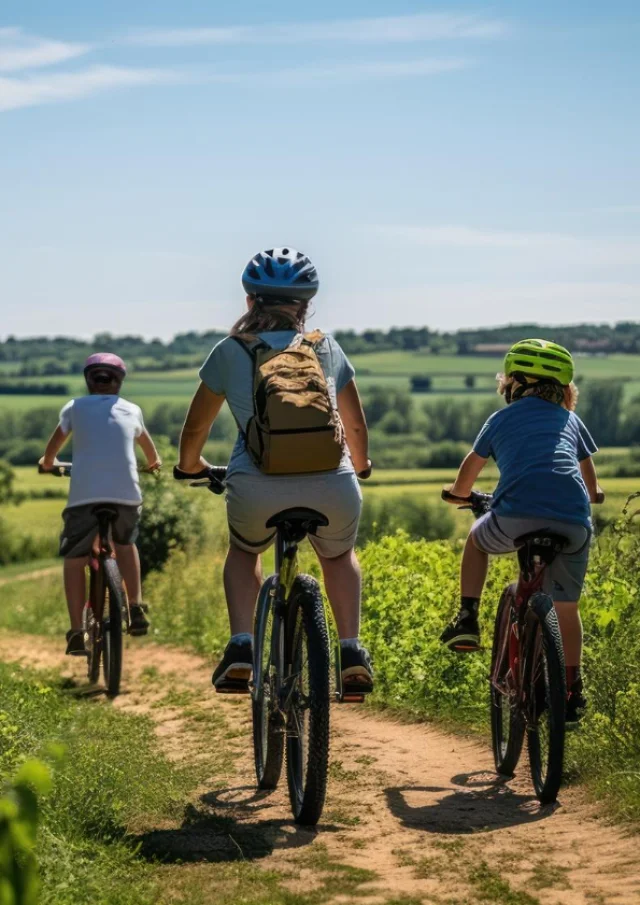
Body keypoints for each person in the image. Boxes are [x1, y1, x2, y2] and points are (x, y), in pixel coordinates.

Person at [176, 247, 374, 694]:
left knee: (245, 553)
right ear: (305, 306)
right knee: (338, 556)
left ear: (250, 302)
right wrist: (358, 467)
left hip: (256, 487)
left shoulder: (230, 351)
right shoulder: (326, 347)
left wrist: (191, 467)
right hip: (334, 486)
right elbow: (356, 425)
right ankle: (350, 651)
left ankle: (242, 645)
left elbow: (195, 429)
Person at [440, 339, 603, 723]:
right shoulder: (571, 421)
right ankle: (571, 690)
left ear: (514, 383)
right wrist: (593, 496)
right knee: (567, 607)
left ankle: (467, 617)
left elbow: (471, 465)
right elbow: (589, 477)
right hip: (573, 521)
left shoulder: (500, 419)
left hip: (516, 516)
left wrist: (459, 495)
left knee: (477, 541)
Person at [40, 352, 161, 655]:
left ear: (88, 380)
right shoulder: (132, 410)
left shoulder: (74, 407)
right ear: (120, 381)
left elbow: (52, 449)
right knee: (125, 544)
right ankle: (134, 607)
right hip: (126, 496)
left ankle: (76, 632)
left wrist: (48, 462)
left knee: (75, 559)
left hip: (84, 497)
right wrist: (153, 463)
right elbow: (149, 449)